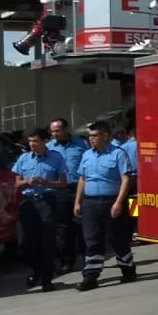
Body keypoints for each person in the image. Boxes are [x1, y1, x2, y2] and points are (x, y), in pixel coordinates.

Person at [74, 121, 135, 292]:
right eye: (90, 136)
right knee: (92, 240)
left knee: (117, 239)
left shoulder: (118, 154)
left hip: (111, 202)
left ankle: (128, 269)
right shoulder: (87, 155)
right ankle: (90, 276)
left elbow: (126, 179)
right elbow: (82, 179)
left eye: (95, 135)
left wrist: (119, 202)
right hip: (90, 203)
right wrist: (78, 202)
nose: (91, 139)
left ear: (106, 136)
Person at [12, 129, 68, 292]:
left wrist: (46, 182)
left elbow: (63, 183)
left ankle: (46, 279)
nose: (32, 144)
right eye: (30, 141)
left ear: (44, 141)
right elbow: (17, 183)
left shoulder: (56, 157)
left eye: (35, 141)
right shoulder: (24, 158)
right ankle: (37, 270)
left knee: (46, 242)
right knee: (25, 244)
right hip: (28, 202)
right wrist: (27, 181)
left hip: (47, 201)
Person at [47, 117, 88, 273]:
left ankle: (88, 259)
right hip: (60, 190)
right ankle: (67, 261)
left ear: (65, 129)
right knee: (63, 228)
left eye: (57, 131)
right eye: (52, 131)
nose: (54, 134)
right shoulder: (49, 147)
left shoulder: (81, 144)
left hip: (79, 188)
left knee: (83, 225)